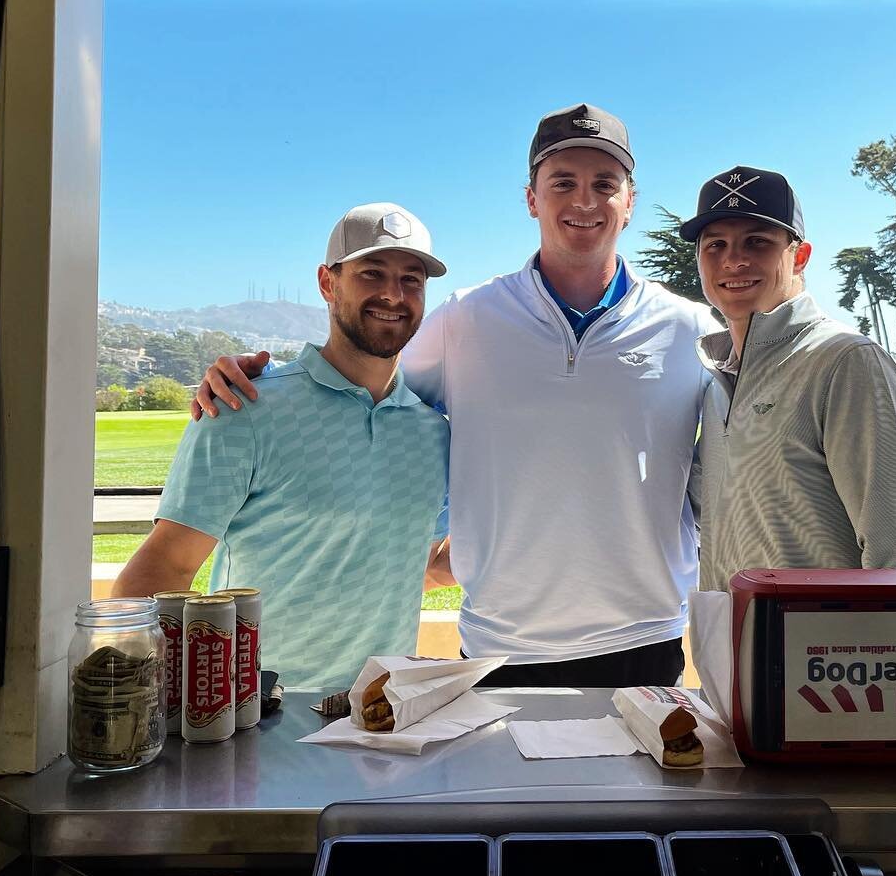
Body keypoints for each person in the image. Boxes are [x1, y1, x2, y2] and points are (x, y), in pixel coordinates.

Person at [198, 105, 717, 688]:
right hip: (500, 643)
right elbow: (363, 381)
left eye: (605, 184)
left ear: (630, 200)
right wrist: (260, 378)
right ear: (531, 198)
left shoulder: (692, 329)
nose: (584, 201)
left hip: (644, 636)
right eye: (563, 183)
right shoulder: (464, 321)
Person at [111, 204, 450, 690]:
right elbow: (163, 569)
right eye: (371, 273)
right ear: (327, 283)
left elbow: (419, 566)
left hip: (378, 719)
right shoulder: (243, 406)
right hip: (254, 720)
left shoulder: (430, 431)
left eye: (411, 280)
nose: (393, 295)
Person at [680, 165, 896, 590]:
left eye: (757, 242)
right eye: (715, 245)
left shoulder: (849, 361)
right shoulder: (719, 378)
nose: (733, 260)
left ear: (799, 256)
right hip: (737, 647)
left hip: (827, 652)